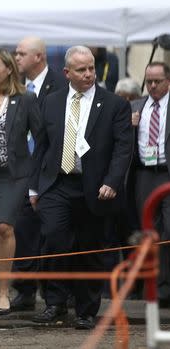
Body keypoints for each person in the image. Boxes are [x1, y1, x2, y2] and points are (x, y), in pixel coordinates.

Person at [30, 46, 132, 330]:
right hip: (57, 183)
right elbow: (41, 146)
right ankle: (55, 303)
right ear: (67, 73)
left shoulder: (114, 104)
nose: (88, 74)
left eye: (91, 68)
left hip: (95, 186)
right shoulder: (50, 102)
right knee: (53, 239)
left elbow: (123, 149)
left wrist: (112, 181)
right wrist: (34, 187)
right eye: (81, 70)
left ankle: (86, 310)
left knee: (91, 248)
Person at [0, 48, 42, 318]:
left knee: (5, 227)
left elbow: (41, 137)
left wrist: (37, 177)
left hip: (14, 175)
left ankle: (4, 292)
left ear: (8, 69)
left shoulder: (25, 98)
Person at [12, 36, 67, 312]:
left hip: (49, 169)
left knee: (49, 233)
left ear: (39, 57)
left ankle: (52, 292)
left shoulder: (60, 85)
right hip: (20, 169)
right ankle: (24, 290)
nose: (17, 57)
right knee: (22, 230)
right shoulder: (16, 87)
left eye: (22, 53)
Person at [131, 62, 170, 307]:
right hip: (144, 174)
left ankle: (165, 286)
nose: (153, 86)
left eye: (158, 81)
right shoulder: (136, 107)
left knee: (169, 230)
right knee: (149, 232)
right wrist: (129, 125)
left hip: (167, 173)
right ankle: (154, 287)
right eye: (149, 82)